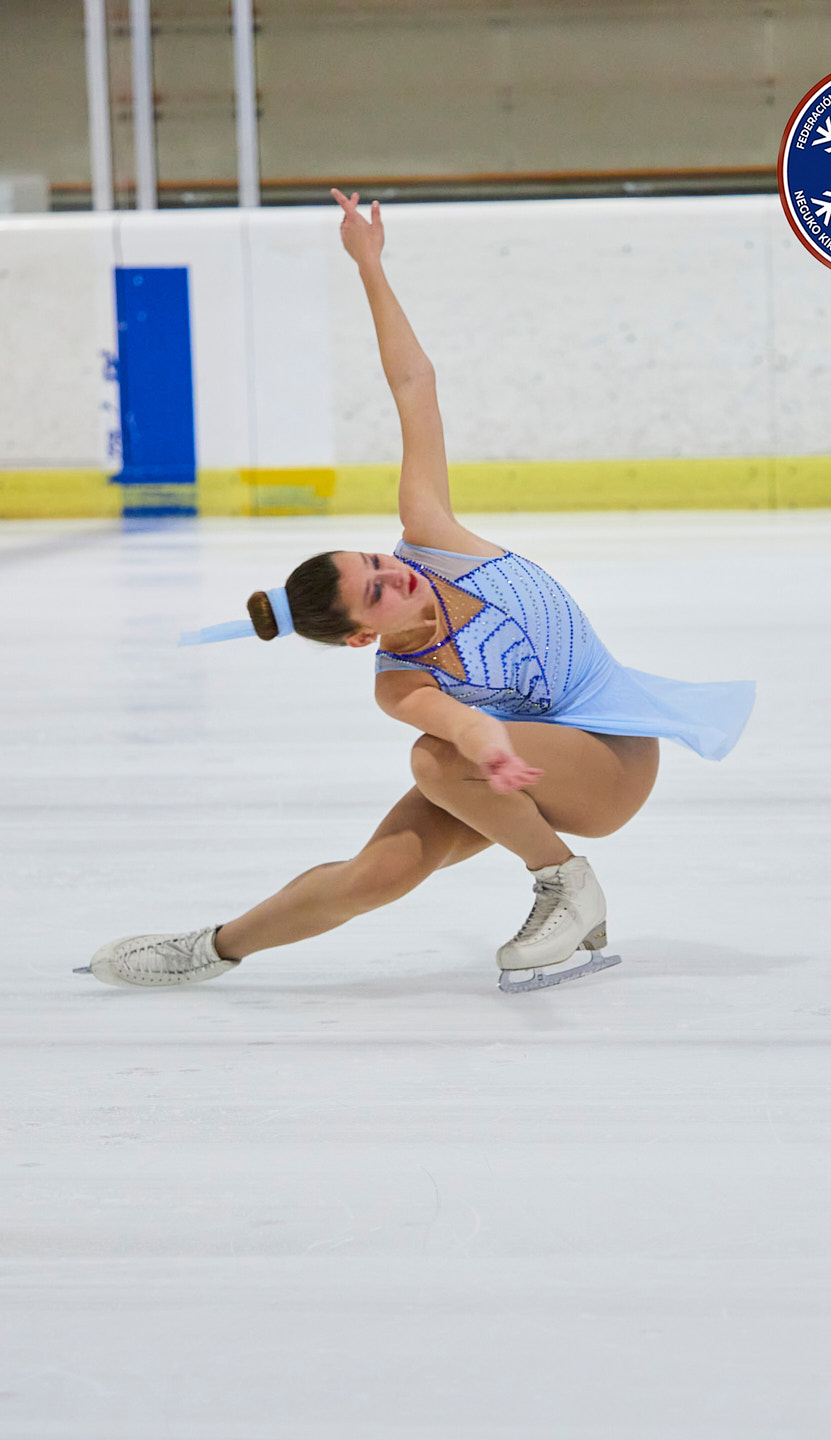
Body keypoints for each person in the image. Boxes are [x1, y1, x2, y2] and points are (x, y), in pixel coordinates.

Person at [78, 189, 755, 993]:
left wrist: (369, 264)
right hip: (508, 764)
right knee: (380, 869)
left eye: (374, 559)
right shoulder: (401, 684)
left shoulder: (431, 535)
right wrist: (488, 746)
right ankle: (210, 948)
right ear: (364, 636)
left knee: (436, 764)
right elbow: (457, 724)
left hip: (607, 758)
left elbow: (413, 383)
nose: (394, 570)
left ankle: (564, 886)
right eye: (376, 590)